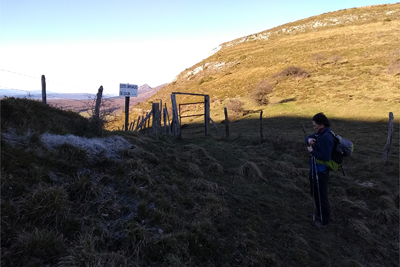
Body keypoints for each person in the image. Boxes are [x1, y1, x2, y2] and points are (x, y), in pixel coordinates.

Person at [305, 112, 334, 229]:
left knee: (321, 195)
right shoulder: (319, 133)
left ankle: (324, 220)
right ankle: (318, 214)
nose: (314, 127)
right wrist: (309, 140)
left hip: (321, 171)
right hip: (314, 168)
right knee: (315, 192)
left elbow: (326, 156)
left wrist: (312, 151)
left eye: (315, 125)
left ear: (321, 124)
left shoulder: (326, 137)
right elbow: (307, 137)